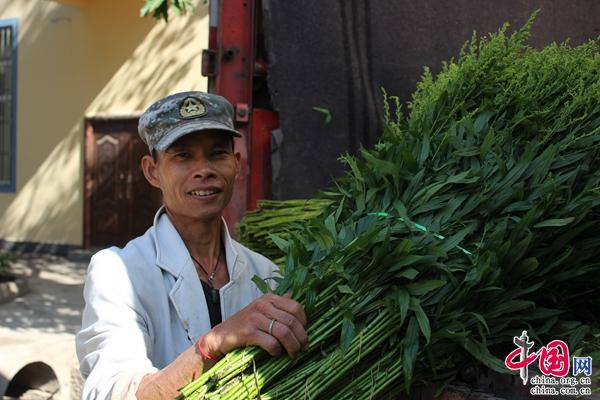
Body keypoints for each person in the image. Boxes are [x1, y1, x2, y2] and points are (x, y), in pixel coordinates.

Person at [76, 91, 308, 400]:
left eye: (217, 154)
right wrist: (212, 343)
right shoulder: (118, 273)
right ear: (152, 171)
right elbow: (112, 393)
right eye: (183, 156)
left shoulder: (266, 274)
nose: (204, 170)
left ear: (236, 165)